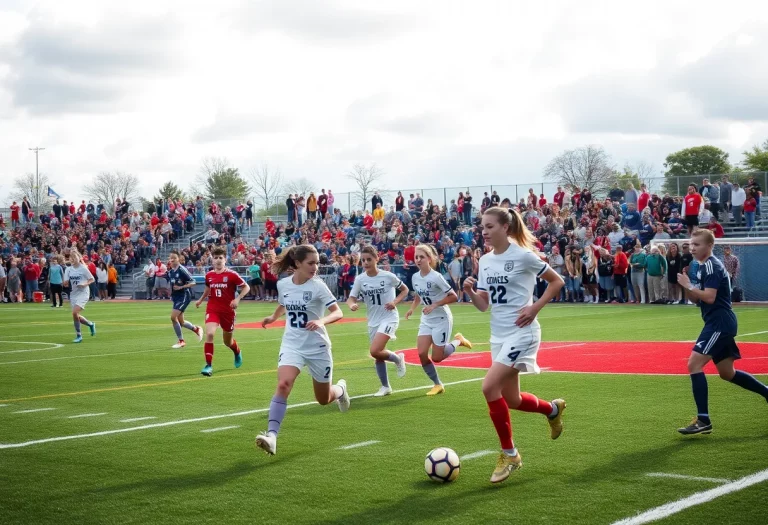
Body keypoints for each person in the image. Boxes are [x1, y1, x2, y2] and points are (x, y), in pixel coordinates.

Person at [462, 207, 566, 483]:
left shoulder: (522, 255)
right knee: (512, 400)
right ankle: (552, 410)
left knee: (488, 387)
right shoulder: (484, 261)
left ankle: (510, 454)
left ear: (505, 228)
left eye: (489, 226)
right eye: (482, 226)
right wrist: (471, 292)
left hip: (523, 333)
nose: (484, 231)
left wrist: (535, 308)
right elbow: (484, 305)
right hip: (499, 335)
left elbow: (557, 282)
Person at [256, 245, 350, 456]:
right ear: (297, 264)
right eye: (311, 263)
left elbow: (338, 312)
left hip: (317, 348)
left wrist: (321, 320)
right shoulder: (283, 284)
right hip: (292, 344)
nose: (315, 267)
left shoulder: (318, 286)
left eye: (317, 263)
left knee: (323, 399)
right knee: (283, 384)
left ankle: (341, 390)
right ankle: (272, 436)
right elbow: (284, 304)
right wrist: (273, 317)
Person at [676, 229, 768, 435]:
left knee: (694, 364)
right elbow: (696, 299)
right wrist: (687, 286)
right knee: (727, 374)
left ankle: (703, 420)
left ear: (709, 246)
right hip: (717, 322)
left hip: (719, 323)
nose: (692, 247)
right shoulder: (699, 267)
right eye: (691, 243)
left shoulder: (712, 265)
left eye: (697, 244)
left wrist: (689, 285)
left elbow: (709, 297)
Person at [404, 244, 472, 396]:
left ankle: (458, 341)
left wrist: (435, 305)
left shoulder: (436, 277)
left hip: (441, 318)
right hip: (427, 319)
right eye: (416, 257)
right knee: (421, 353)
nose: (418, 260)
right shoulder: (415, 277)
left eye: (422, 257)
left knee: (437, 358)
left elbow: (454, 296)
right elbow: (418, 295)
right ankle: (437, 384)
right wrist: (412, 308)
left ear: (429, 259)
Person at [347, 246, 409, 396]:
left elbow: (405, 290)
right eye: (363, 260)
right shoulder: (360, 279)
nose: (366, 263)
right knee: (377, 354)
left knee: (374, 350)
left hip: (389, 318)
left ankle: (397, 359)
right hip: (373, 321)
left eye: (369, 259)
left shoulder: (388, 276)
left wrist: (394, 302)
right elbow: (351, 298)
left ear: (377, 259)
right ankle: (385, 386)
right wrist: (352, 305)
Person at [194, 247, 250, 376]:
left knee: (227, 342)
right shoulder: (209, 275)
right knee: (210, 334)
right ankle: (208, 366)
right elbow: (208, 289)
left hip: (227, 311)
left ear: (225, 260)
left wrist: (238, 299)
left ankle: (237, 352)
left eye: (221, 258)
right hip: (213, 308)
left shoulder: (232, 275)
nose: (218, 260)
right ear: (212, 260)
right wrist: (201, 299)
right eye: (215, 258)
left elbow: (246, 287)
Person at [168, 251, 203, 349]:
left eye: (173, 258)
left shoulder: (182, 270)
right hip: (176, 297)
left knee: (173, 317)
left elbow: (193, 282)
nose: (171, 260)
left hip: (184, 296)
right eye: (170, 258)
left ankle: (181, 341)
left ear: (178, 259)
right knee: (181, 321)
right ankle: (196, 329)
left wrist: (182, 287)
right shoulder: (170, 272)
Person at [63, 249, 96, 343]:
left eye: (75, 257)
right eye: (71, 257)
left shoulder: (83, 268)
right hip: (74, 293)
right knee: (76, 315)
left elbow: (91, 279)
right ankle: (90, 324)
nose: (73, 259)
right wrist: (65, 283)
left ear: (79, 257)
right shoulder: (68, 269)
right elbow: (65, 282)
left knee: (74, 313)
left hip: (83, 293)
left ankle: (79, 336)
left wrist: (84, 284)